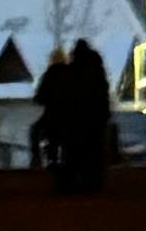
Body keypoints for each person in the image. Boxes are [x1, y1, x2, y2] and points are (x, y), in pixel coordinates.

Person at [39, 34, 115, 198]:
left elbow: (45, 97)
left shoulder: (63, 73)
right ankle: (88, 181)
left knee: (69, 151)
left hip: (68, 121)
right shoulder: (95, 72)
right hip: (91, 121)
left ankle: (67, 179)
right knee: (89, 152)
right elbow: (101, 98)